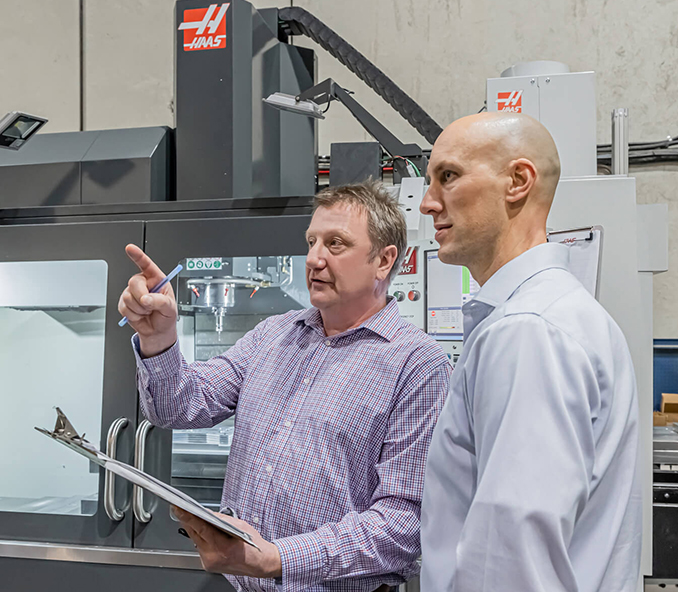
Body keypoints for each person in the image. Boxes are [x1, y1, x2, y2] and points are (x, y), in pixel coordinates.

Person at [118, 180, 451, 592]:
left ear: (384, 261)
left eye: (335, 243)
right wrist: (158, 339)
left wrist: (278, 559)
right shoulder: (273, 334)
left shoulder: (417, 365)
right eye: (311, 241)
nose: (313, 258)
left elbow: (404, 524)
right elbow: (180, 406)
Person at [419, 113, 641, 592]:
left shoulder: (527, 331)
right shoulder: (554, 315)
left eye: (448, 177)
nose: (426, 202)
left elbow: (509, 561)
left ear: (518, 181)